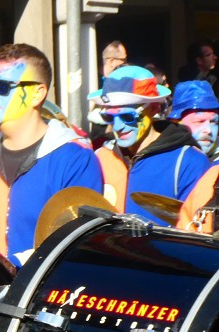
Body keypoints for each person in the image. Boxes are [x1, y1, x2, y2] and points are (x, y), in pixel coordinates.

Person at [0, 43, 103, 268]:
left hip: (48, 297)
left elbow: (80, 244)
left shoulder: (75, 160)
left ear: (38, 93)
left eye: (3, 87)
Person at [89, 65, 209, 224]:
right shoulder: (100, 157)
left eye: (127, 117)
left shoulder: (189, 161)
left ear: (154, 108)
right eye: (109, 118)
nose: (117, 127)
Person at [169, 80, 219, 160]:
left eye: (213, 122)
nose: (208, 130)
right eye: (199, 121)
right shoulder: (162, 160)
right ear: (176, 122)